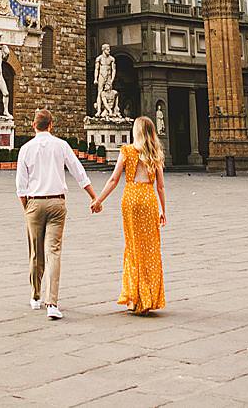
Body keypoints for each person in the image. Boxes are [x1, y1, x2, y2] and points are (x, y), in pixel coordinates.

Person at [14, 107, 94, 322]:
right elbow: (79, 172)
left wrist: (27, 208)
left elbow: (20, 185)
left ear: (33, 125)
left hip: (34, 202)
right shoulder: (61, 145)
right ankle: (52, 303)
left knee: (35, 252)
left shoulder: (26, 149)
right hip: (57, 202)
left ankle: (35, 295)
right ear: (51, 125)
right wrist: (93, 197)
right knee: (54, 252)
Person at [91, 113, 167, 315]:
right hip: (148, 199)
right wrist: (163, 211)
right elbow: (160, 187)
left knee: (133, 248)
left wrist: (99, 200)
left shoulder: (127, 151)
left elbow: (114, 180)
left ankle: (134, 300)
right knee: (150, 249)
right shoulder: (156, 154)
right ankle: (148, 297)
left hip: (131, 199)